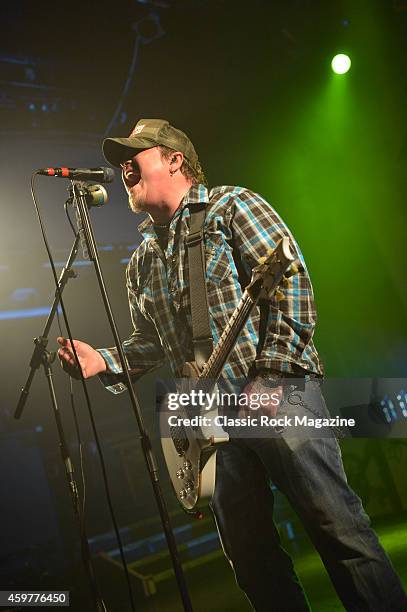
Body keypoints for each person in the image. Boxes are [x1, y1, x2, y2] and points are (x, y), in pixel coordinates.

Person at [58, 119, 406, 611]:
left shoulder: (232, 205)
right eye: (120, 159)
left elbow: (292, 284)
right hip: (210, 422)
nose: (122, 167)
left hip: (278, 395)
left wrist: (271, 374)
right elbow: (150, 344)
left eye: (135, 154)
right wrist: (104, 361)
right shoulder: (139, 263)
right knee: (249, 558)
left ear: (175, 159)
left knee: (337, 528)